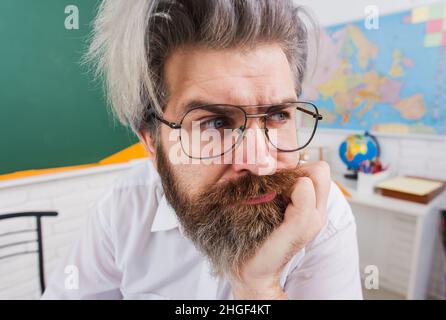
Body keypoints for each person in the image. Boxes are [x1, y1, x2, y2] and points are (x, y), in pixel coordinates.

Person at [42, 0, 362, 299]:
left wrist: (259, 288)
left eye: (278, 115)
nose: (261, 161)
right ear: (151, 143)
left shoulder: (321, 219)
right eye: (216, 123)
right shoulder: (123, 211)